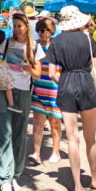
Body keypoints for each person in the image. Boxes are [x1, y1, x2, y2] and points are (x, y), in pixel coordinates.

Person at [48, 5, 96, 191]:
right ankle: (93, 178)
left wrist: (64, 82)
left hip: (66, 83)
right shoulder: (87, 39)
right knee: (90, 138)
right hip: (86, 84)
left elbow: (50, 73)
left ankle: (77, 188)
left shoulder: (55, 41)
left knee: (72, 138)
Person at [0, 11, 44, 191]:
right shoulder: (6, 43)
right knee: (4, 134)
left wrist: (29, 68)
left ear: (26, 27)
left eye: (19, 26)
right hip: (3, 89)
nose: (15, 29)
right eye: (13, 26)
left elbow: (38, 74)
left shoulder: (34, 46)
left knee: (19, 135)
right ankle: (4, 179)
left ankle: (15, 174)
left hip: (23, 91)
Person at [29, 18, 63, 164]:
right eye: (39, 30)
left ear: (51, 31)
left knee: (55, 121)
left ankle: (56, 151)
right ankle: (36, 153)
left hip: (55, 88)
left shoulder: (57, 45)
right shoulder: (34, 46)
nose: (42, 33)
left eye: (44, 30)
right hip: (38, 87)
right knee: (38, 121)